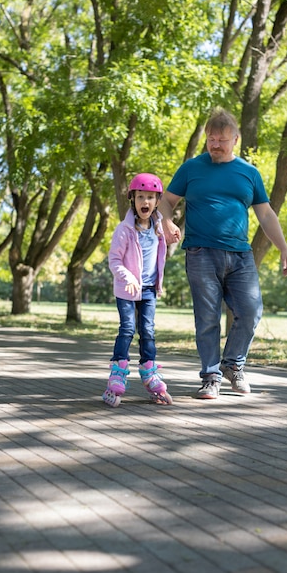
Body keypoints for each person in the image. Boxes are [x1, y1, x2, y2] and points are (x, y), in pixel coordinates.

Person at [159, 107, 287, 399]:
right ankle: (210, 377)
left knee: (250, 311)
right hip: (201, 252)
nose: (216, 145)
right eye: (211, 139)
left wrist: (283, 248)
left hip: (240, 255)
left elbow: (266, 214)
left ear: (236, 139)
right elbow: (165, 201)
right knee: (207, 318)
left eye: (222, 139)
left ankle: (232, 364)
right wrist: (167, 220)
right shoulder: (191, 168)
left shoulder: (249, 173)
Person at [103, 172, 173, 408]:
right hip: (127, 289)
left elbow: (160, 253)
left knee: (148, 330)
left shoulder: (158, 228)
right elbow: (114, 260)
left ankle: (149, 371)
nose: (145, 202)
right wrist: (128, 276)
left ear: (157, 201)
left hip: (149, 289)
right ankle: (118, 371)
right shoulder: (124, 230)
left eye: (150, 198)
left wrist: (173, 234)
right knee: (127, 329)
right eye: (140, 196)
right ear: (132, 199)